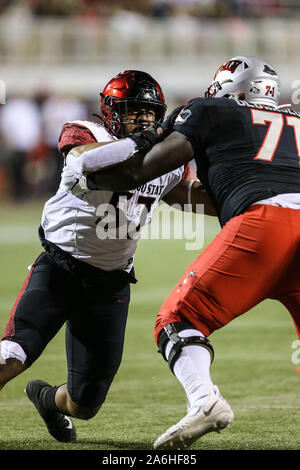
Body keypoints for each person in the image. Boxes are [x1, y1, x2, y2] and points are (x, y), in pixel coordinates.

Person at [82, 56, 300, 449]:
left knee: (178, 318)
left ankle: (205, 401)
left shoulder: (209, 108)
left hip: (266, 222)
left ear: (226, 87)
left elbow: (139, 171)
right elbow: (218, 193)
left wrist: (89, 174)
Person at [0, 69, 215, 443]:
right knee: (13, 354)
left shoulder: (163, 154)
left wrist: (240, 200)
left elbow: (183, 194)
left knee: (85, 403)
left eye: (150, 113)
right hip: (60, 266)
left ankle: (48, 400)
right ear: (112, 110)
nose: (144, 120)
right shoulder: (86, 132)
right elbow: (83, 158)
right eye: (135, 111)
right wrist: (146, 141)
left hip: (111, 281)